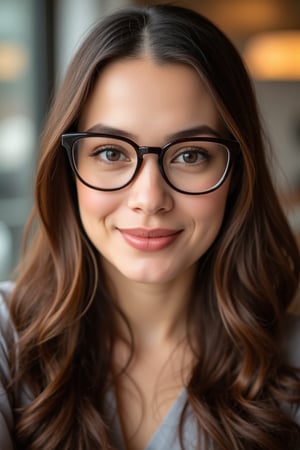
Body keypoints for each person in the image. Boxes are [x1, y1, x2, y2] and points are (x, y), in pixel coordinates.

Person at [0, 4, 299, 449]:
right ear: (67, 169)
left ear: (237, 174)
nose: (149, 199)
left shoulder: (290, 359)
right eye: (110, 152)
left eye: (191, 154)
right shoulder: (8, 338)